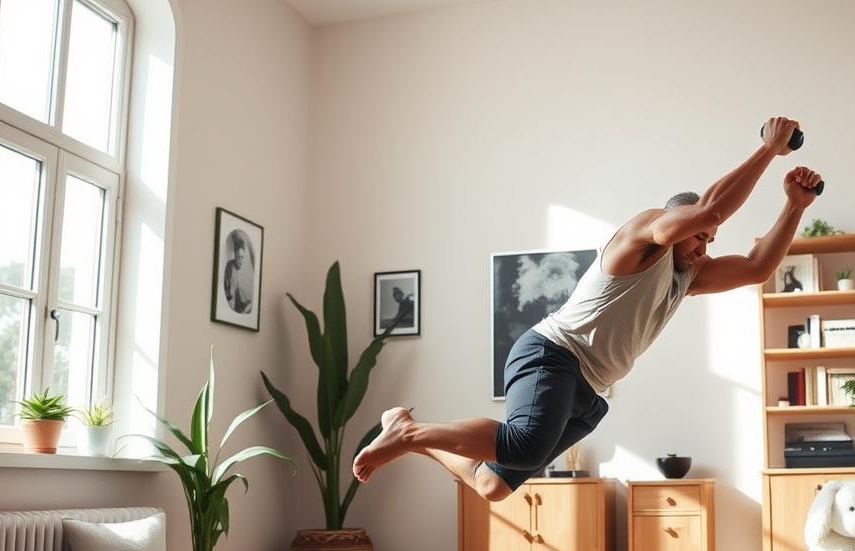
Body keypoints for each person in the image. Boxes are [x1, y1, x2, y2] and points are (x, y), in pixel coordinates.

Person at [352, 117, 823, 501]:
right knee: (525, 444)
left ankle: (408, 429)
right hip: (553, 354)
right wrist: (768, 150)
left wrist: (795, 206)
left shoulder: (689, 276)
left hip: (590, 392)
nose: (704, 246)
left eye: (709, 242)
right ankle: (410, 434)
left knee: (492, 484)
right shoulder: (641, 237)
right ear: (674, 224)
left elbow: (759, 268)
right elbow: (710, 211)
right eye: (699, 237)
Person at [223, 230, 254, 314]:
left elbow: (239, 298)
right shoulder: (231, 267)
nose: (240, 260)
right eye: (238, 257)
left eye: (242, 257)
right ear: (234, 255)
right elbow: (229, 296)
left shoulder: (235, 270)